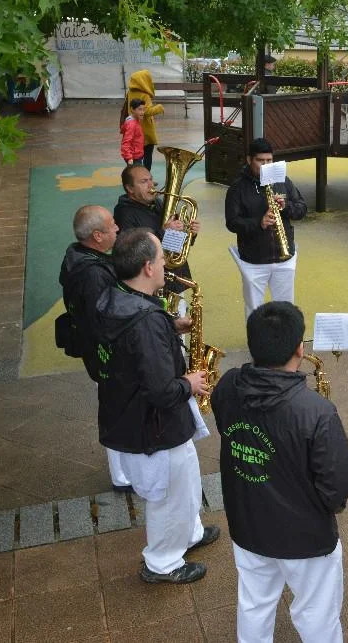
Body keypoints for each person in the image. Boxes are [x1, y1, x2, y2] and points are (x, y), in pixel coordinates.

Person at [211, 301, 348, 642]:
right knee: (316, 611)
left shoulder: (229, 385)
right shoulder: (316, 411)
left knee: (254, 603)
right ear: (299, 349)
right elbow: (338, 483)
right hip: (306, 535)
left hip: (247, 522)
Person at [95, 228, 219, 584]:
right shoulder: (146, 321)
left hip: (137, 418)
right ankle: (162, 562)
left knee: (186, 481)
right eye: (162, 260)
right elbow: (162, 391)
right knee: (168, 495)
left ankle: (189, 533)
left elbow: (133, 351)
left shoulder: (114, 298)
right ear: (148, 267)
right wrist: (190, 383)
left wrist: (169, 327)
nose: (167, 265)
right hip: (154, 426)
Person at [58, 205, 129, 491]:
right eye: (112, 225)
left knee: (117, 407)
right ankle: (122, 475)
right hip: (106, 354)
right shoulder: (93, 274)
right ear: (97, 236)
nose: (117, 228)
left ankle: (125, 469)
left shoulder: (78, 257)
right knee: (116, 409)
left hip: (97, 350)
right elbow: (104, 321)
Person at [225, 137, 308, 318]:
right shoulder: (237, 188)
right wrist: (259, 223)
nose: (265, 165)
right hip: (253, 261)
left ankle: (285, 337)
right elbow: (232, 222)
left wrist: (286, 206)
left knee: (286, 310)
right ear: (249, 160)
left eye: (269, 160)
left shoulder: (283, 181)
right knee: (254, 311)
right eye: (260, 161)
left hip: (284, 258)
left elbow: (302, 209)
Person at [115, 164, 199, 293]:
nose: (151, 185)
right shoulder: (124, 213)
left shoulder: (157, 203)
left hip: (175, 276)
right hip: (153, 284)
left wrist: (189, 233)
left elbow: (174, 245)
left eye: (151, 179)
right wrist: (163, 233)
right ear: (130, 188)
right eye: (144, 181)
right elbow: (132, 254)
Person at [123, 70, 166, 171]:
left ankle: (134, 174)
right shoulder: (144, 95)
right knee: (147, 154)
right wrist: (159, 108)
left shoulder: (130, 92)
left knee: (135, 154)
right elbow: (146, 111)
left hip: (133, 126)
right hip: (145, 130)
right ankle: (146, 175)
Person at [120, 99, 146, 166]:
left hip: (136, 155)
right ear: (132, 109)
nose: (142, 112)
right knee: (136, 172)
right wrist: (129, 157)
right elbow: (126, 142)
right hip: (134, 157)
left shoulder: (135, 120)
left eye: (143, 109)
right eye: (140, 109)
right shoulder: (131, 124)